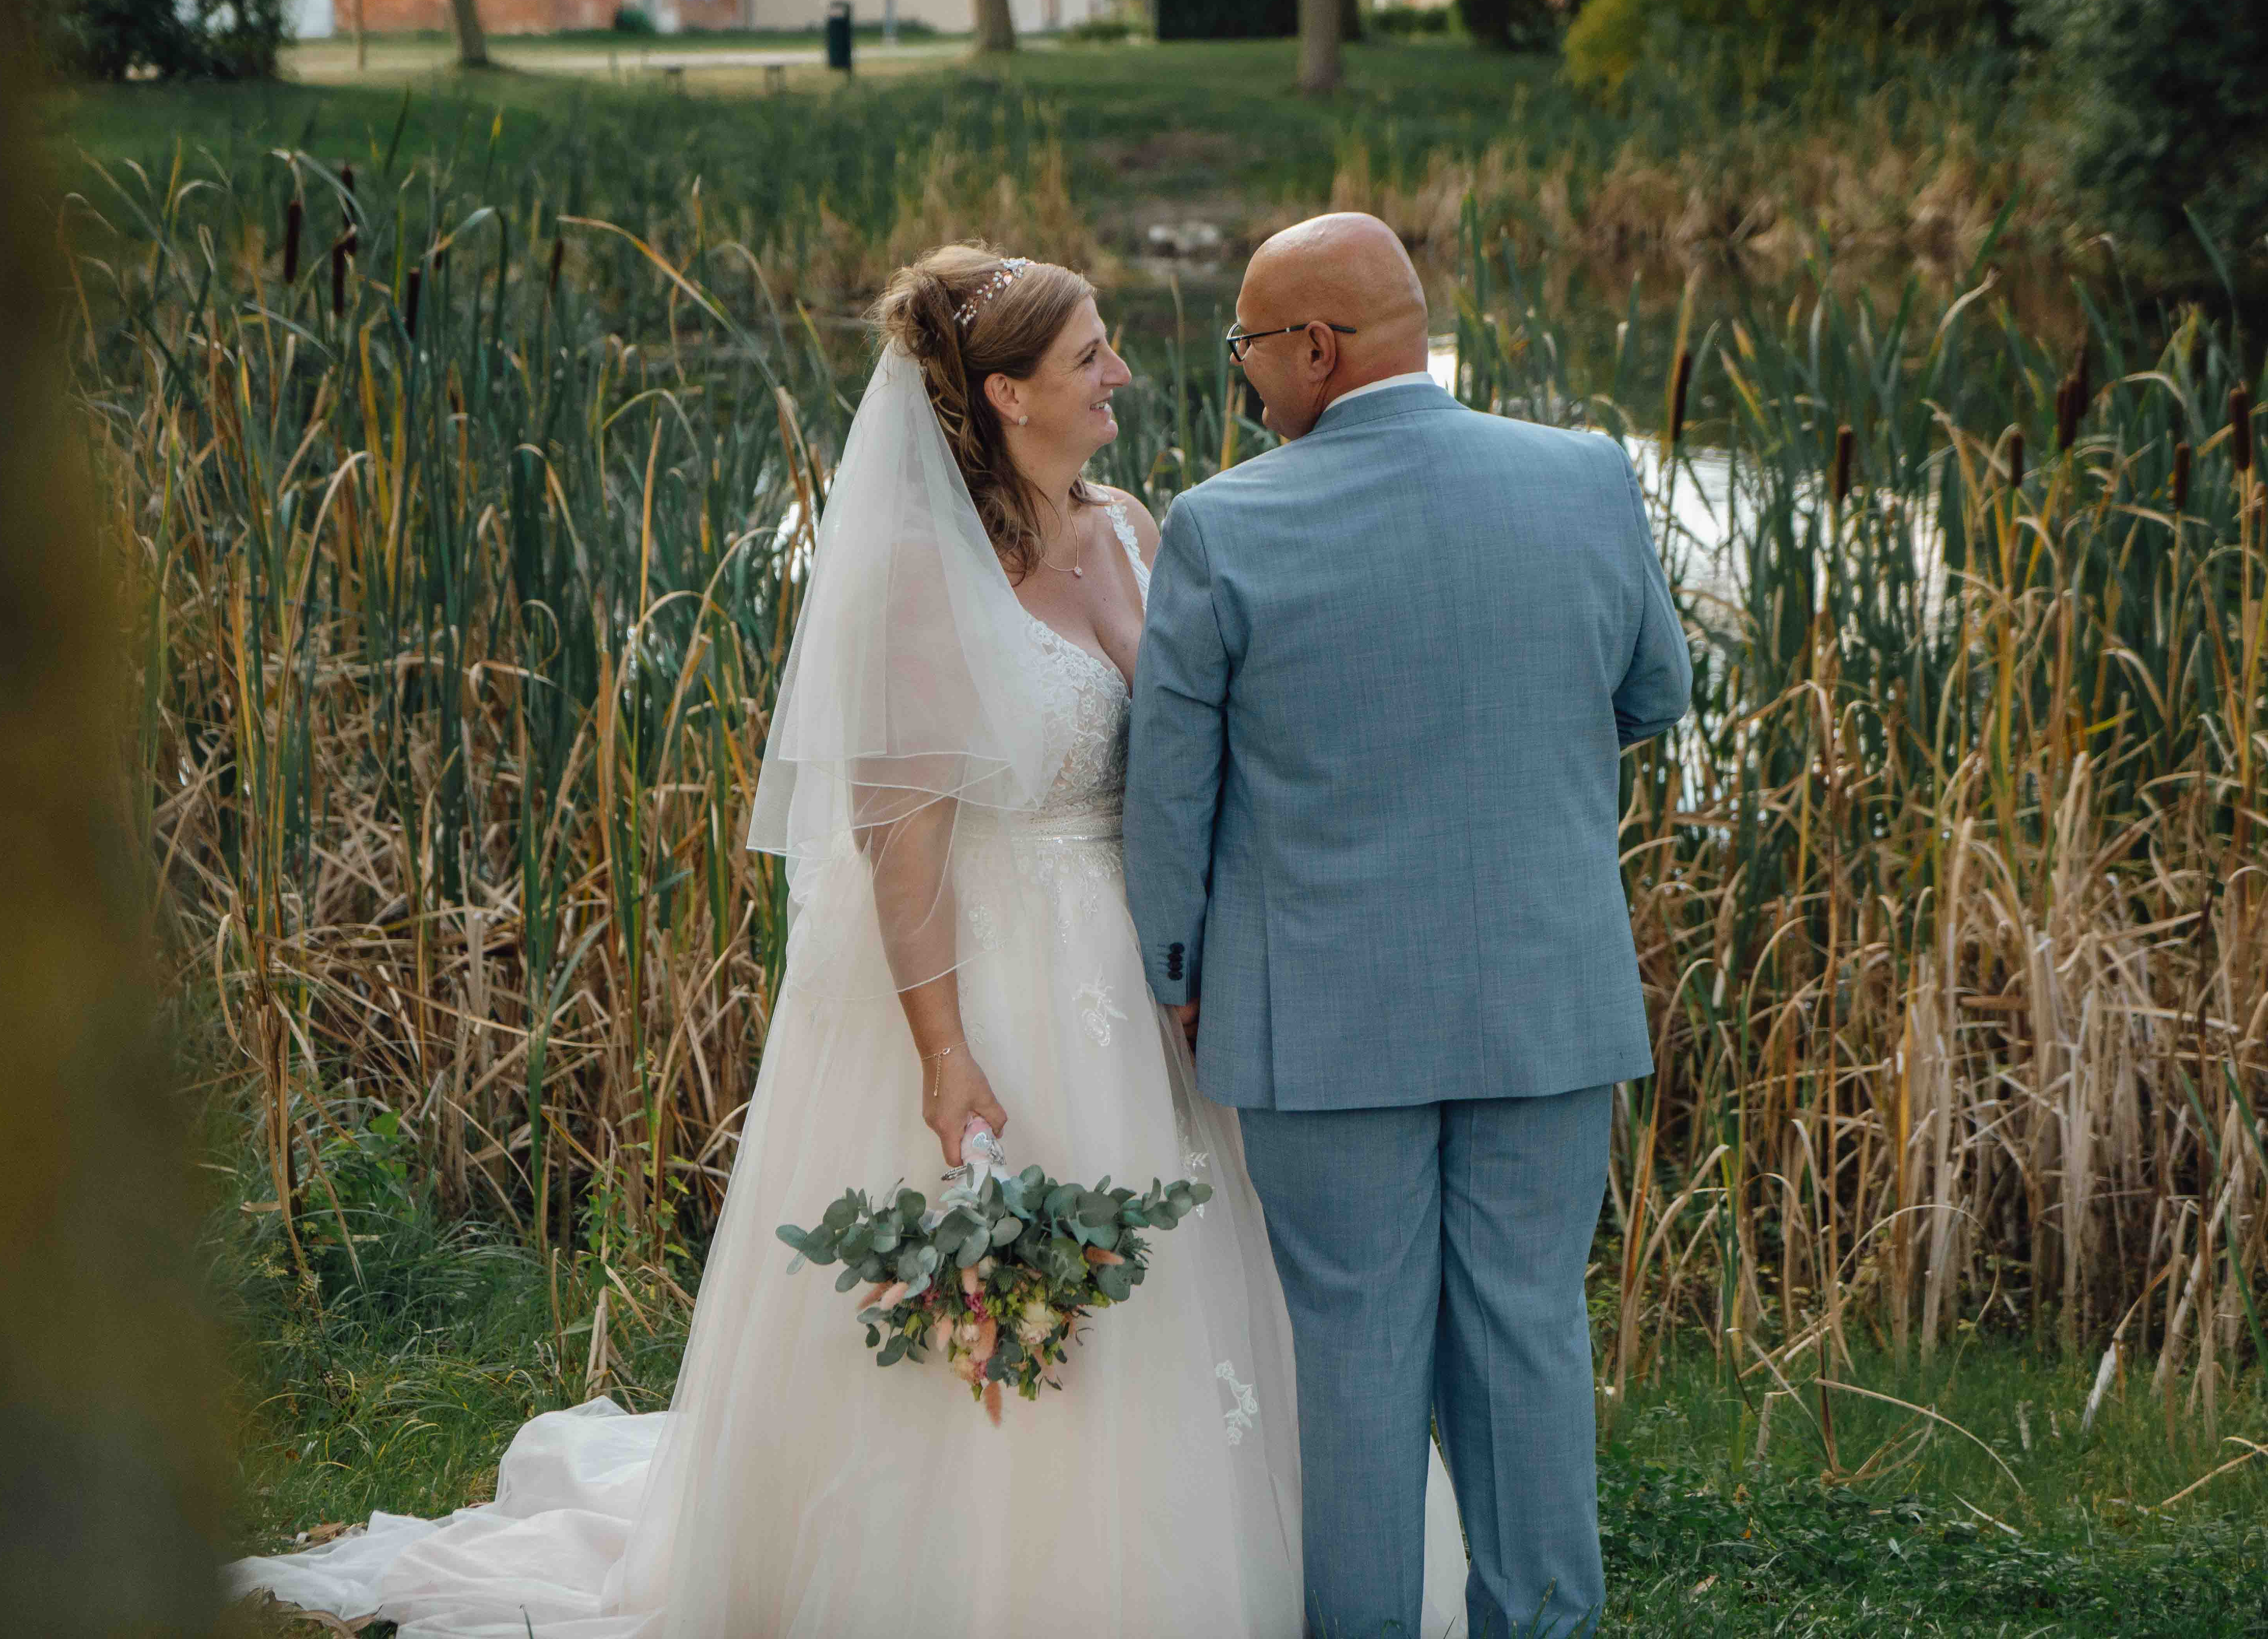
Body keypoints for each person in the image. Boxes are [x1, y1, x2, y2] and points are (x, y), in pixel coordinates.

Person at [225, 243, 1470, 1638]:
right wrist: (944, 1056)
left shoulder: (1130, 526)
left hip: (1145, 969)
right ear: (1004, 393)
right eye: (1089, 358)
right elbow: (904, 845)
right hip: (997, 979)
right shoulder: (917, 580)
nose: (1123, 373)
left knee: (1197, 1290)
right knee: (1010, 1296)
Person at [1125, 213, 1694, 1639]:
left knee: (1356, 1359)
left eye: (1250, 344)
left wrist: (1179, 978)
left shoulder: (1223, 524)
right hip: (1543, 996)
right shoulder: (1586, 477)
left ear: (1317, 347)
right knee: (1527, 1336)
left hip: (1323, 1019)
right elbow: (1654, 697)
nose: (1245, 378)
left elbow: (1170, 796)